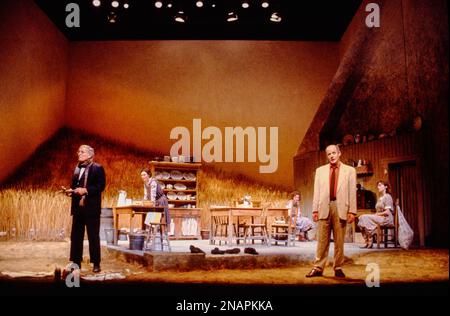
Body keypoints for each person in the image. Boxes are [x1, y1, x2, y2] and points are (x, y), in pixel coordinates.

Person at [306, 144, 356, 278]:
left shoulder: (350, 170)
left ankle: (338, 267)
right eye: (329, 154)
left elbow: (352, 192)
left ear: (339, 153)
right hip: (324, 207)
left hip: (341, 207)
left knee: (339, 241)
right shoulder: (320, 170)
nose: (332, 156)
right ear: (327, 156)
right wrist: (315, 209)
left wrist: (352, 211)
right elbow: (316, 191)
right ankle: (318, 267)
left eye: (334, 153)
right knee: (322, 240)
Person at [65, 145, 105, 273]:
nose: (79, 153)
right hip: (78, 208)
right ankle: (76, 262)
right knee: (76, 235)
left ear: (89, 154)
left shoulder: (97, 168)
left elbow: (100, 186)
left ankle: (96, 263)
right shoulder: (77, 168)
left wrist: (86, 190)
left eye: (82, 152)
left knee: (93, 236)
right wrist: (70, 191)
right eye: (78, 151)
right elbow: (75, 185)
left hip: (91, 208)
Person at [357, 181, 394, 248]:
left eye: (380, 185)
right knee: (361, 217)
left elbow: (387, 212)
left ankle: (370, 241)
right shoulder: (380, 198)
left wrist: (377, 214)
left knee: (365, 218)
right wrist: (377, 214)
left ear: (386, 186)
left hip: (386, 218)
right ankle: (367, 241)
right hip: (380, 217)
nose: (378, 187)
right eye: (378, 185)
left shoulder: (388, 197)